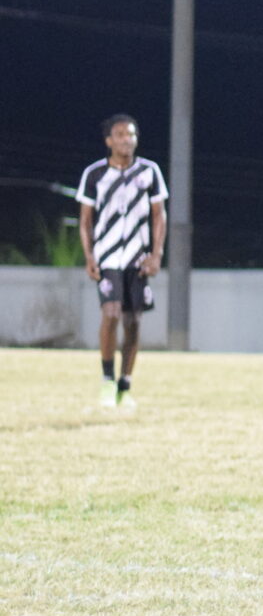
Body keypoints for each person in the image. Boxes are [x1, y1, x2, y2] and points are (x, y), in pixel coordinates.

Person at [76, 114, 167, 413]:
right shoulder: (94, 174)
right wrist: (89, 257)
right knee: (111, 313)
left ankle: (125, 385)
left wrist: (157, 254)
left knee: (133, 321)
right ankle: (106, 379)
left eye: (130, 134)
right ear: (109, 140)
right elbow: (86, 220)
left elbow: (158, 215)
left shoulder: (149, 171)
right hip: (108, 257)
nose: (126, 139)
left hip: (137, 259)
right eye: (119, 134)